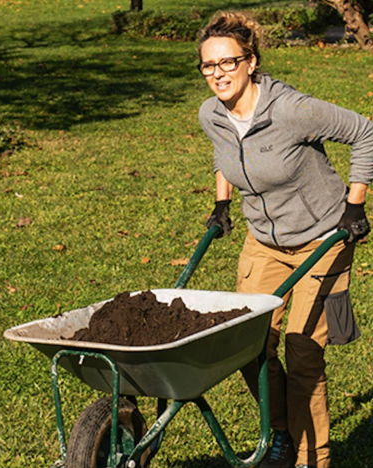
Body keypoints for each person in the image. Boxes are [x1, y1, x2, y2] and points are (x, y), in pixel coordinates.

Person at [197, 11, 373, 468]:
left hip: (323, 237)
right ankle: (278, 432)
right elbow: (224, 153)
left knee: (303, 351)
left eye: (228, 63)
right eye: (208, 66)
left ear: (250, 61)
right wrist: (222, 202)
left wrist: (355, 205)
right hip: (263, 240)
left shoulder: (292, 109)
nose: (218, 74)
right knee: (248, 346)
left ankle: (311, 459)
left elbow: (365, 132)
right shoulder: (211, 114)